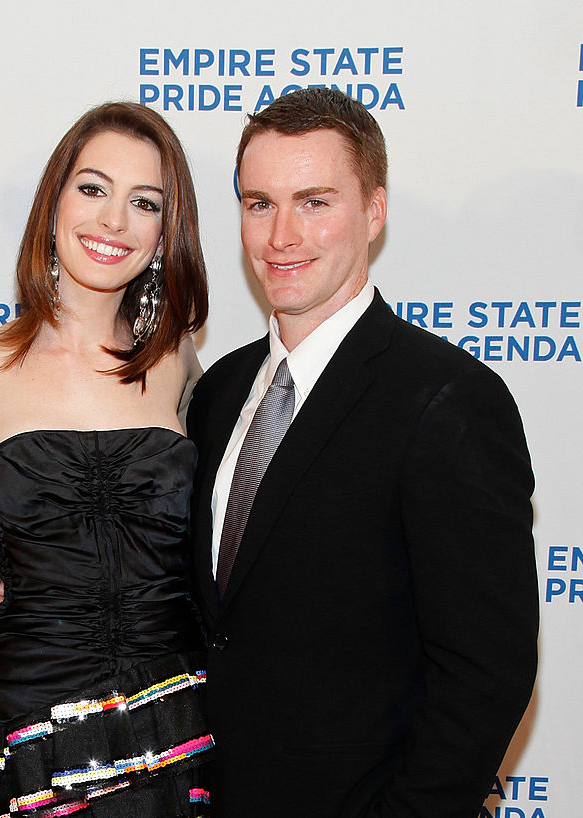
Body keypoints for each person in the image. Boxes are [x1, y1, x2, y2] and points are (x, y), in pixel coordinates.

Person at [187, 87, 538, 816]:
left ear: (374, 212)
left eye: (314, 202)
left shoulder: (448, 399)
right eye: (259, 203)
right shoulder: (218, 391)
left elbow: (487, 674)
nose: (281, 234)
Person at [0, 102, 211, 817]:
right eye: (93, 188)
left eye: (143, 202)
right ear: (54, 202)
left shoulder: (181, 363)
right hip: (23, 725)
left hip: (172, 719)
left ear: (164, 232)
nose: (113, 221)